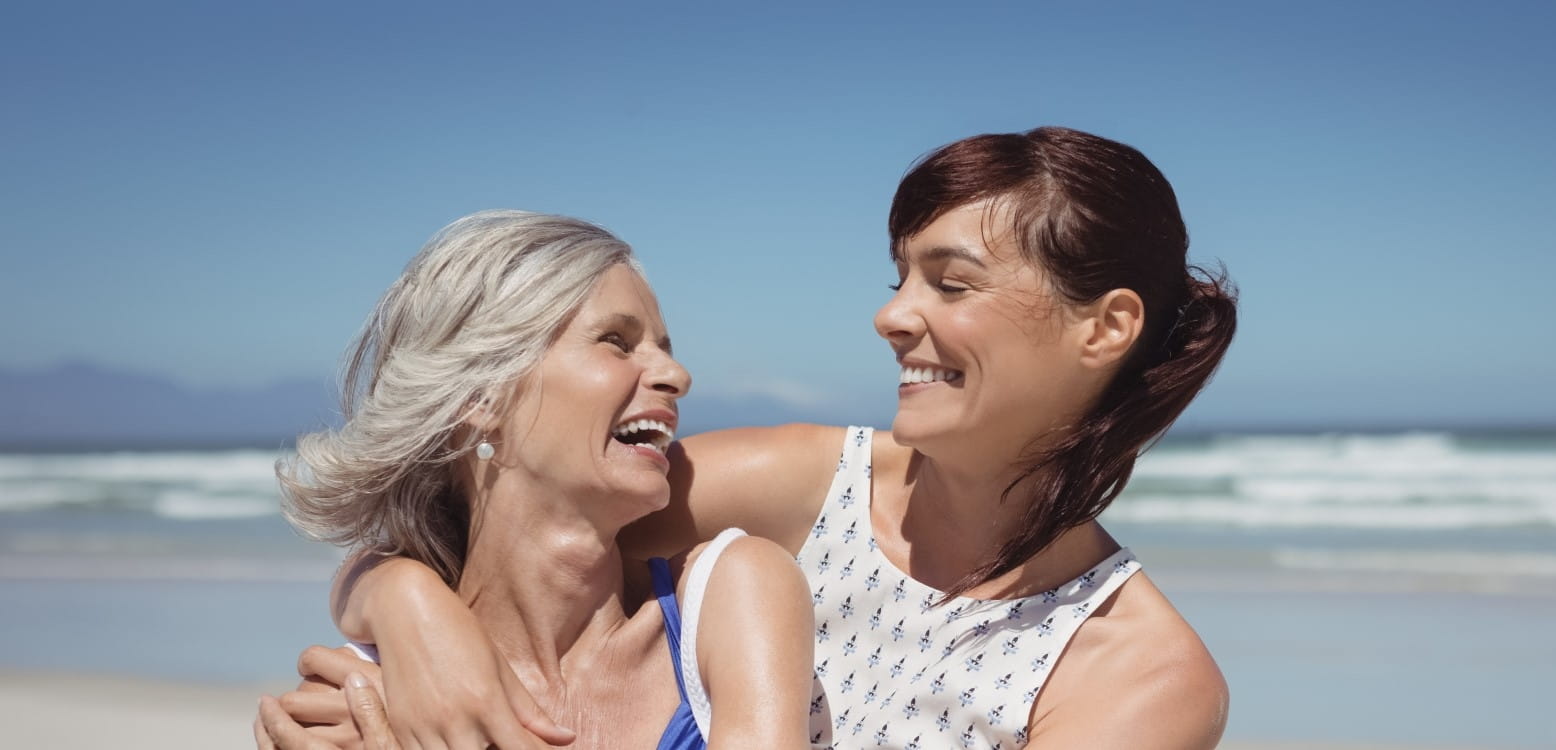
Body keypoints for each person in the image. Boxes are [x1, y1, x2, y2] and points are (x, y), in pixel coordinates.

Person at [273, 127, 1236, 749]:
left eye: (949, 283)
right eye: (898, 277)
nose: (891, 318)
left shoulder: (1140, 671)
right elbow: (510, 521)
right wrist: (406, 609)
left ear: (1103, 328)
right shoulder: (807, 486)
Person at [252, 211, 813, 750]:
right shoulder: (361, 696)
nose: (677, 376)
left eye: (665, 350)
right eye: (616, 341)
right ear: (480, 397)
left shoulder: (731, 594)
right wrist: (398, 592)